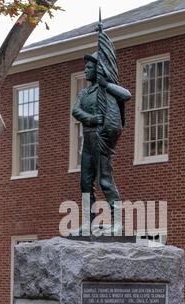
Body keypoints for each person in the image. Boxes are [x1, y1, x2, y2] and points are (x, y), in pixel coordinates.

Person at [72, 51, 131, 234]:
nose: (86, 70)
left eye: (89, 67)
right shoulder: (84, 92)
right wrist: (90, 118)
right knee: (85, 182)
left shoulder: (106, 89)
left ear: (98, 70)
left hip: (101, 138)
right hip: (88, 139)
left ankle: (119, 222)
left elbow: (126, 95)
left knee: (105, 180)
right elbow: (75, 111)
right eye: (86, 67)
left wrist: (107, 86)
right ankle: (88, 222)